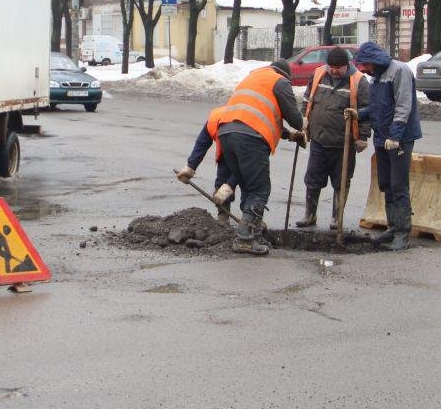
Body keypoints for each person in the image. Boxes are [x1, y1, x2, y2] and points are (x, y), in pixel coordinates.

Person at [176, 59, 305, 255]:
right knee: (260, 188)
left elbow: (259, 116)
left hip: (228, 135)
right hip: (251, 138)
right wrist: (304, 124)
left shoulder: (252, 79)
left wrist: (289, 135)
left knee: (248, 183)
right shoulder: (279, 81)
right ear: (285, 75)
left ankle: (254, 232)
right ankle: (244, 238)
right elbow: (294, 119)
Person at [354, 41, 423, 251]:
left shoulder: (399, 71)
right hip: (382, 137)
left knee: (398, 184)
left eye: (364, 65)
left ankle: (403, 232)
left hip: (398, 138)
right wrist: (360, 114)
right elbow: (377, 108)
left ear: (373, 60)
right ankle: (393, 227)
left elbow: (403, 105)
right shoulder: (377, 76)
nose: (363, 70)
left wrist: (395, 135)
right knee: (385, 183)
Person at [295, 47, 370, 230]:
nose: (334, 71)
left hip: (343, 144)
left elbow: (367, 111)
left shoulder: (358, 81)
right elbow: (307, 99)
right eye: (332, 67)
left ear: (347, 65)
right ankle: (309, 215)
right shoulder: (319, 74)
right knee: (312, 179)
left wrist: (363, 137)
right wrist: (304, 121)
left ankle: (337, 218)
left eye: (339, 68)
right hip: (319, 140)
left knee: (341, 181)